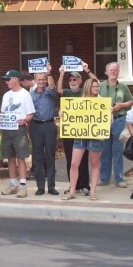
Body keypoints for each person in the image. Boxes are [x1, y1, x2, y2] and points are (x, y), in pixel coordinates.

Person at [57, 62, 98, 196]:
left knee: (84, 159)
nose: (72, 81)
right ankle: (73, 185)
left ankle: (84, 185)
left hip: (84, 130)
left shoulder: (84, 92)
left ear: (80, 81)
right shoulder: (67, 92)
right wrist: (61, 73)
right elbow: (58, 90)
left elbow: (97, 84)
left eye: (74, 79)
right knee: (71, 159)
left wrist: (87, 70)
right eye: (70, 80)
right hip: (69, 130)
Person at [63, 78, 104, 201]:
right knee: (74, 163)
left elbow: (108, 121)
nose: (96, 89)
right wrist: (63, 114)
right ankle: (72, 191)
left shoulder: (102, 101)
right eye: (94, 87)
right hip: (80, 135)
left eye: (97, 86)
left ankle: (93, 191)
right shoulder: (79, 101)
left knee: (94, 163)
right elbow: (71, 116)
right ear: (88, 87)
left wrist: (108, 113)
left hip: (95, 136)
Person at [0, 70, 35, 198]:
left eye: (8, 79)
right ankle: (13, 184)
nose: (6, 82)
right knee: (10, 157)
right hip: (7, 129)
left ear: (15, 79)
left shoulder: (25, 95)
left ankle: (23, 186)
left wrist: (24, 120)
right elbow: (3, 112)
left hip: (19, 130)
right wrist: (0, 119)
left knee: (21, 158)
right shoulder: (6, 95)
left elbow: (30, 114)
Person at [98, 62, 133, 187]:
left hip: (119, 119)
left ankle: (119, 179)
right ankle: (104, 178)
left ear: (118, 72)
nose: (113, 72)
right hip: (104, 120)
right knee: (105, 150)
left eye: (115, 70)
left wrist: (121, 105)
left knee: (118, 150)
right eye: (111, 70)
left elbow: (131, 101)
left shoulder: (123, 87)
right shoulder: (100, 86)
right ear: (106, 72)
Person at [30, 64, 59, 195]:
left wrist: (49, 73)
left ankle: (51, 186)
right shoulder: (30, 95)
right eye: (39, 80)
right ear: (35, 81)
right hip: (35, 126)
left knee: (50, 156)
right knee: (38, 157)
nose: (41, 82)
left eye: (43, 79)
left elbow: (53, 86)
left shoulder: (50, 92)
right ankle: (40, 186)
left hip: (49, 125)